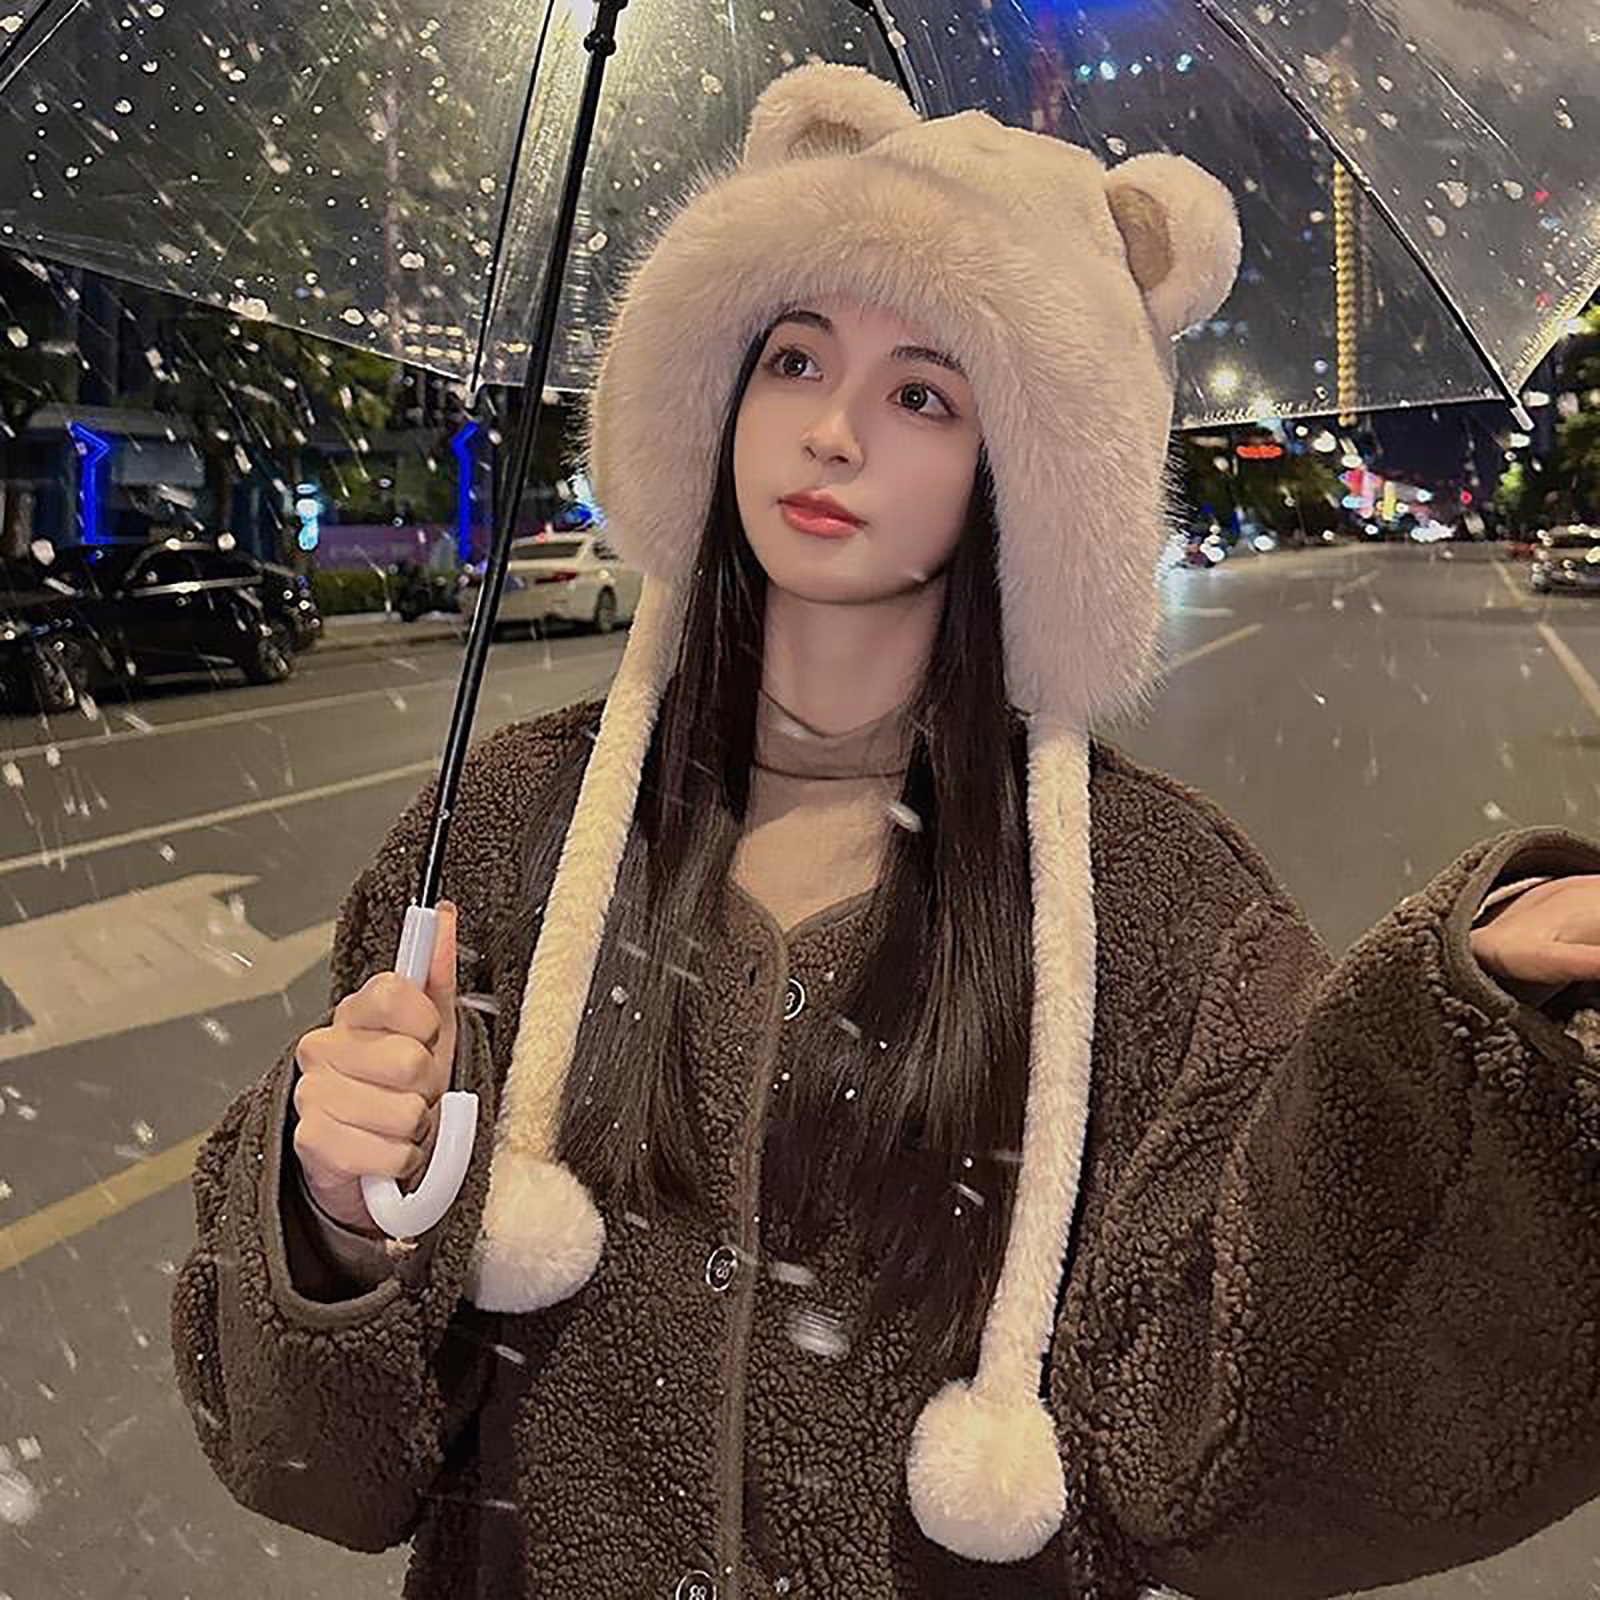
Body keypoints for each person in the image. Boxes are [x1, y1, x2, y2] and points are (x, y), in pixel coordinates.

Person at [171, 63, 1600, 1600]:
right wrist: (336, 1223)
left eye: (922, 392)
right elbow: (328, 1472)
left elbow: (1243, 1425)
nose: (833, 430)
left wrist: (1470, 1043)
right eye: (795, 358)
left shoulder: (1153, 899)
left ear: (1023, 472)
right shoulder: (512, 828)